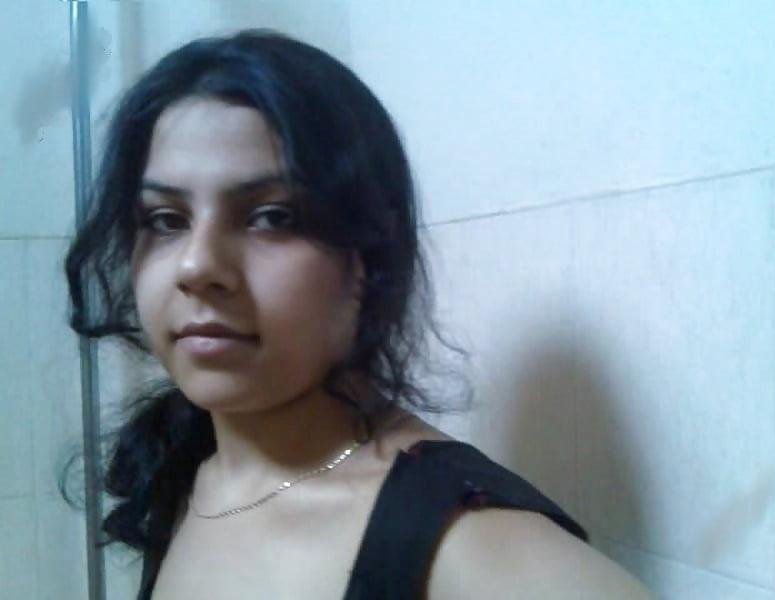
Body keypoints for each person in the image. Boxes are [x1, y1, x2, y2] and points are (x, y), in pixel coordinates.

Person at [62, 29, 651, 599]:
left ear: (370, 255)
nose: (197, 266)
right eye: (165, 220)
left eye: (272, 217)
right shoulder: (181, 472)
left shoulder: (465, 544)